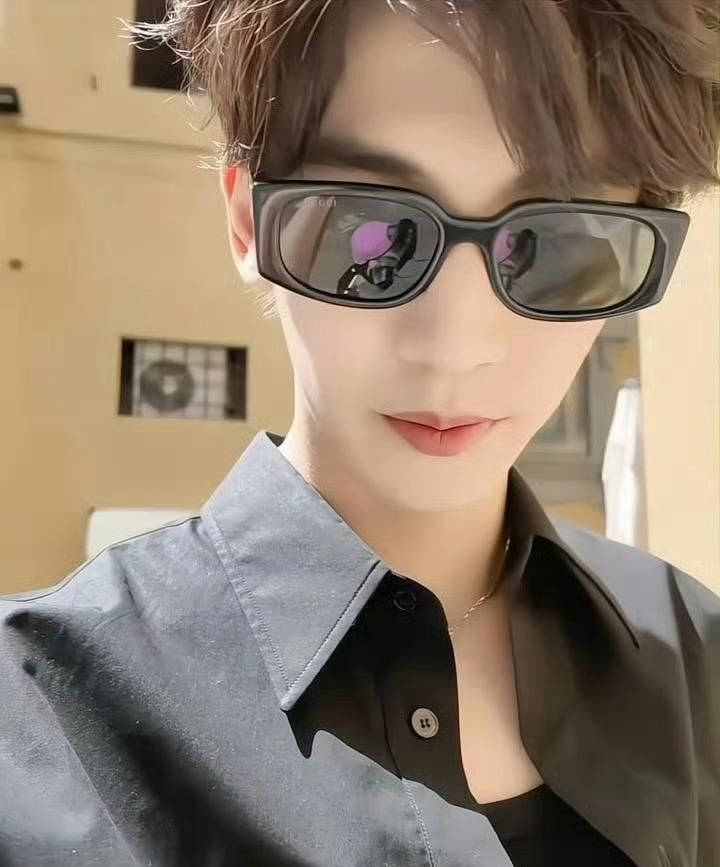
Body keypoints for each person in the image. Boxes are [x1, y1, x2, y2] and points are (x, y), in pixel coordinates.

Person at [1, 2, 718, 865]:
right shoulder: (40, 728)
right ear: (248, 221)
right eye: (371, 235)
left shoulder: (698, 661)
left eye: (555, 243)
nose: (455, 347)